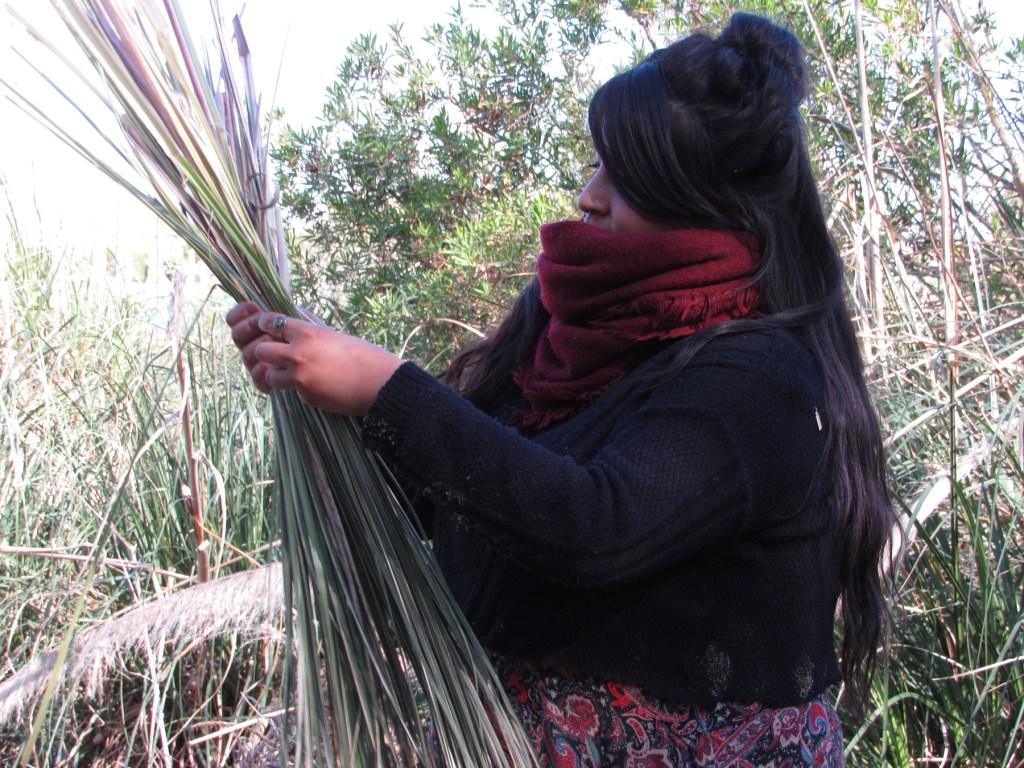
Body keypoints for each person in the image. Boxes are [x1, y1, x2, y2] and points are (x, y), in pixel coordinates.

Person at [227, 12, 895, 766]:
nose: (589, 195)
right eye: (598, 163)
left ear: (709, 201)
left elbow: (595, 524)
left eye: (627, 176)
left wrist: (387, 389)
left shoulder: (762, 379)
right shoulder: (566, 331)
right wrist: (325, 386)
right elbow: (455, 495)